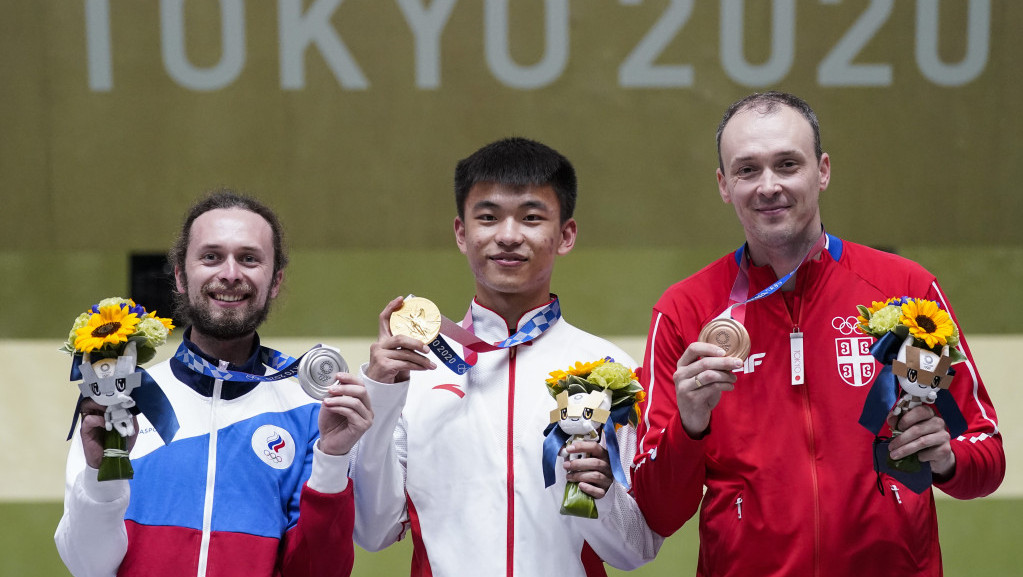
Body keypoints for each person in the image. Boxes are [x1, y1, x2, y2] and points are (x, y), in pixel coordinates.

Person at [631, 91, 1005, 576]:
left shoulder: (906, 291)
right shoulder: (686, 311)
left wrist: (947, 457)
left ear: (822, 170)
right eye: (747, 170)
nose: (769, 186)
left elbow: (987, 457)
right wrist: (690, 423)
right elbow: (658, 510)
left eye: (788, 164)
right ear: (724, 185)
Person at [350, 137, 662, 576]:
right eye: (488, 218)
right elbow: (372, 530)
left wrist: (604, 493)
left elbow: (635, 551)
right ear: (462, 233)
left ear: (565, 235)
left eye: (532, 217)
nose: (509, 236)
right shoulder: (415, 369)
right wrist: (380, 394)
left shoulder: (608, 372)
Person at [55, 190, 372, 577]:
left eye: (249, 258)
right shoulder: (122, 402)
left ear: (275, 281)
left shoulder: (309, 412)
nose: (230, 273)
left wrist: (333, 461)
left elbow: (318, 572)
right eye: (211, 256)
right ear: (180, 275)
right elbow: (86, 566)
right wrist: (101, 476)